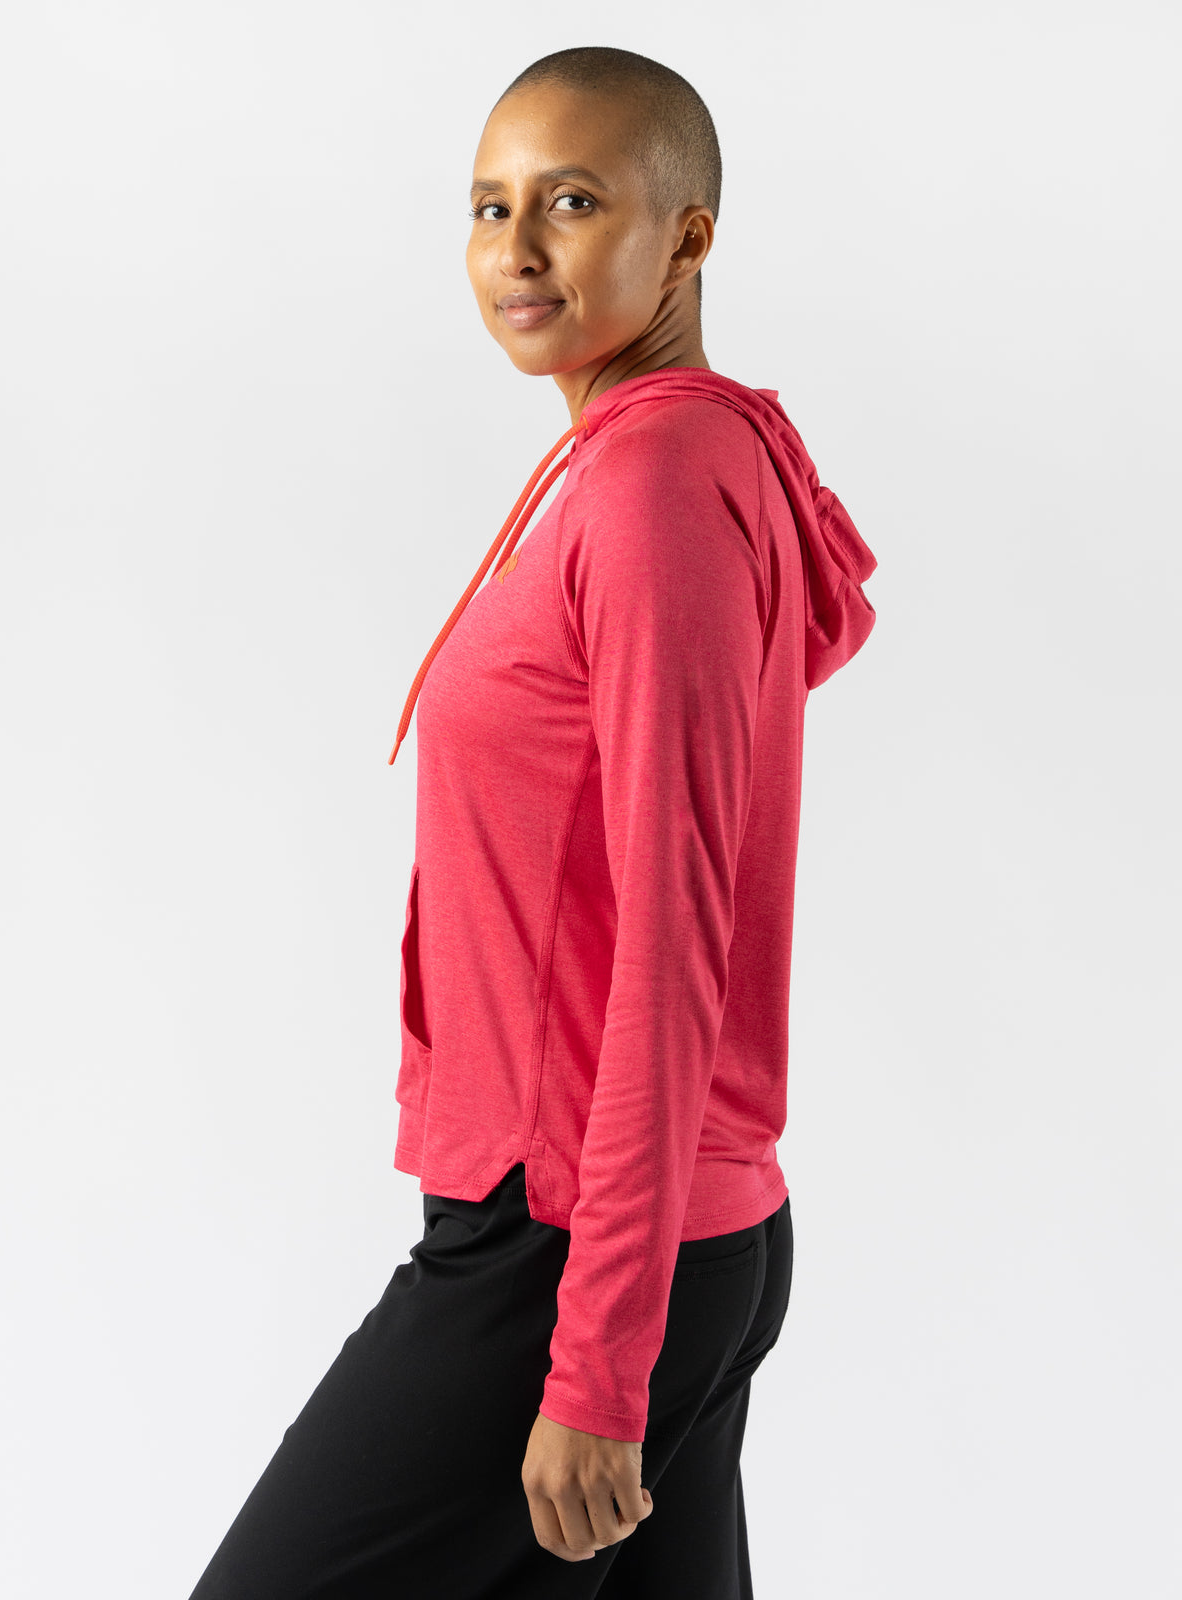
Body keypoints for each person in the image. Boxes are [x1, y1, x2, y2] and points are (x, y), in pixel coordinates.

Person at [187, 45, 877, 1600]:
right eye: (489, 206)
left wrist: (600, 1358)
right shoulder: (661, 461)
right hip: (672, 1231)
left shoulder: (652, 485)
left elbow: (672, 943)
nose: (516, 246)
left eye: (571, 202)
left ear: (687, 236)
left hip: (569, 1246)